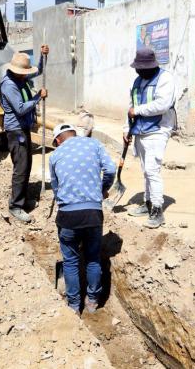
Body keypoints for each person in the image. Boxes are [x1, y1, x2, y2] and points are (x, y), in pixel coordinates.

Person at [49, 123, 116, 314]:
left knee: (70, 262)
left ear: (59, 140)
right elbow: (110, 169)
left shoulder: (55, 155)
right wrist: (102, 189)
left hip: (68, 216)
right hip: (93, 213)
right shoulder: (93, 144)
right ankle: (93, 302)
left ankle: (73, 306)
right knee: (93, 258)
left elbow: (56, 187)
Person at [124, 47, 177, 229]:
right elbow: (131, 106)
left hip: (158, 130)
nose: (138, 71)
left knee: (153, 171)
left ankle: (157, 210)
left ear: (151, 66)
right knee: (146, 170)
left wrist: (137, 111)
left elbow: (162, 104)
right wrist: (126, 129)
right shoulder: (137, 81)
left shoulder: (165, 79)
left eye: (141, 68)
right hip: (140, 130)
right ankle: (147, 205)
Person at [0, 45, 50, 223]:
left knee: (26, 165)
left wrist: (43, 57)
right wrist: (37, 97)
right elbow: (20, 109)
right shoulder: (9, 85)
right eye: (24, 71)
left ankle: (21, 199)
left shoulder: (20, 78)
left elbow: (38, 71)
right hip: (16, 131)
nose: (26, 74)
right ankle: (15, 206)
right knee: (20, 169)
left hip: (24, 128)